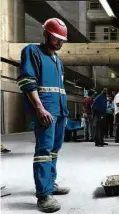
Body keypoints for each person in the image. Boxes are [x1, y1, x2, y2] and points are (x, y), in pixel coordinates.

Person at [18, 18, 70, 213]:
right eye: (57, 38)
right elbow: (27, 82)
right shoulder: (32, 51)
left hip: (60, 111)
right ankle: (43, 195)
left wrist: (64, 112)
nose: (60, 43)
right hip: (46, 110)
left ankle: (51, 184)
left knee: (55, 150)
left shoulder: (57, 60)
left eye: (62, 40)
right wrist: (39, 108)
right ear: (46, 34)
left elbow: (59, 87)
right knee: (44, 152)